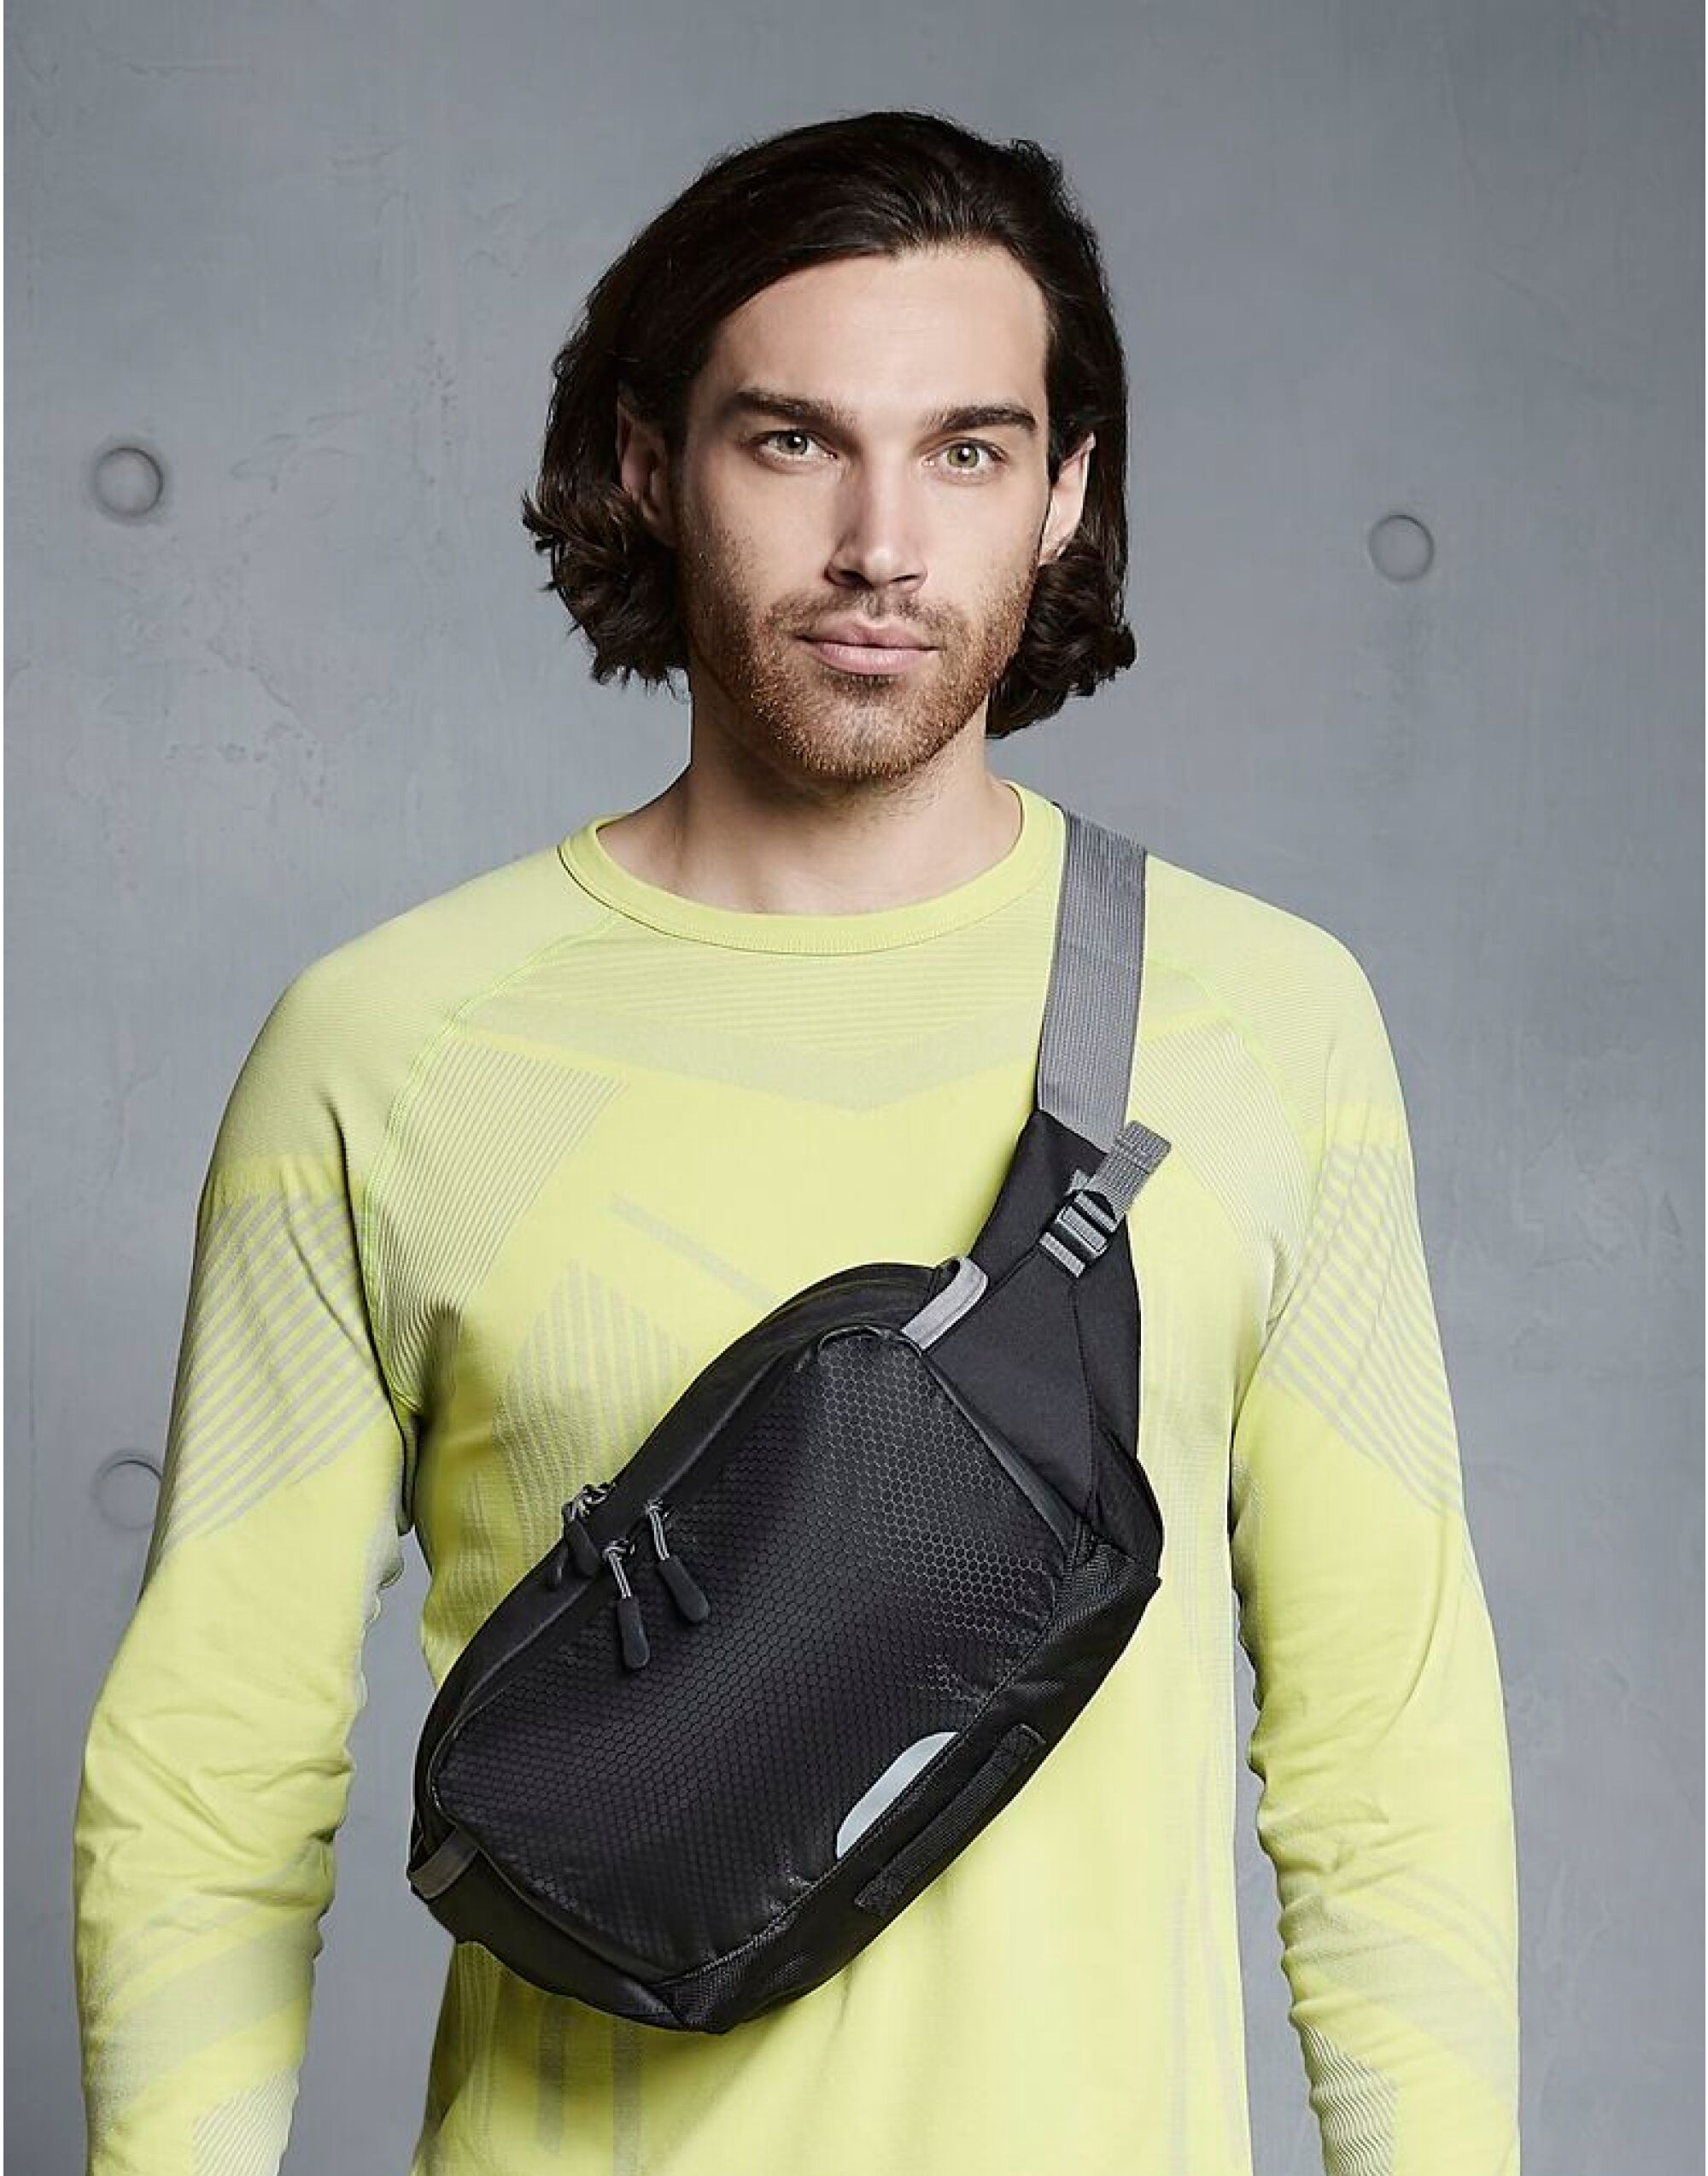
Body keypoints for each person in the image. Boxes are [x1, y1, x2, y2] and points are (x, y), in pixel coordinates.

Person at [72, 108, 1522, 2176]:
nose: (880, 542)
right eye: (790, 440)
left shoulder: (1270, 1024)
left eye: (966, 449)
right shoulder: (386, 1047)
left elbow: (1390, 1767)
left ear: (1065, 492)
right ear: (649, 462)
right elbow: (211, 1778)